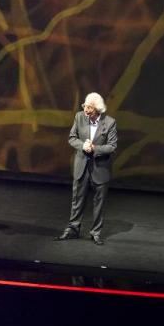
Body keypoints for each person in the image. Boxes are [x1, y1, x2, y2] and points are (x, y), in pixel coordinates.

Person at [55, 92, 117, 245]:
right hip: (81, 166)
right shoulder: (79, 117)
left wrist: (94, 148)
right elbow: (72, 138)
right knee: (77, 200)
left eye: (89, 107)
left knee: (99, 202)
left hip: (100, 168)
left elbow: (112, 146)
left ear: (97, 109)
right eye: (85, 106)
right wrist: (82, 145)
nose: (86, 110)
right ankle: (73, 229)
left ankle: (95, 232)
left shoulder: (109, 122)